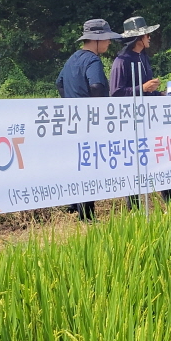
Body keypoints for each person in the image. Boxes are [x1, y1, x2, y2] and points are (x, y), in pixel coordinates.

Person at [57, 18, 123, 221]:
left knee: (78, 163)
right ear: (96, 39)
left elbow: (59, 83)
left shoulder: (72, 59)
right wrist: (101, 107)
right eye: (107, 39)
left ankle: (75, 205)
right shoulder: (93, 60)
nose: (109, 43)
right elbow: (96, 86)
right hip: (90, 121)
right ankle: (87, 215)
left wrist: (72, 101)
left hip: (73, 120)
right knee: (89, 165)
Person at [111, 16, 171, 207]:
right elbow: (116, 94)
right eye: (147, 34)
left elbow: (145, 90)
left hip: (150, 118)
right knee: (134, 164)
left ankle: (170, 200)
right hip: (132, 121)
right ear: (138, 38)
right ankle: (134, 205)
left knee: (163, 157)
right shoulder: (121, 61)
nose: (150, 38)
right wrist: (142, 88)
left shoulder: (143, 57)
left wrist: (158, 93)